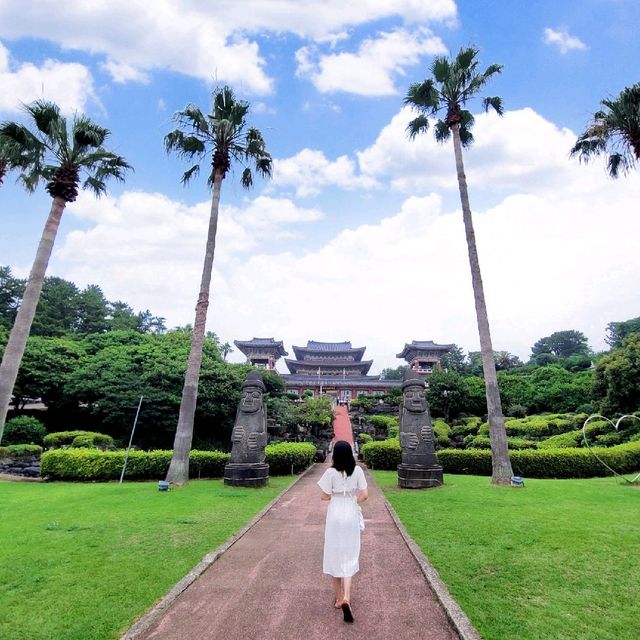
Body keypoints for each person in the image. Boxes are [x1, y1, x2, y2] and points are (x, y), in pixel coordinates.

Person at [317, 440, 368, 623]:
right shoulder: (358, 471)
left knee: (334, 553)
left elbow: (324, 496)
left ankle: (339, 599)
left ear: (335, 455)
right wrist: (352, 500)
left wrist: (336, 495)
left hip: (335, 514)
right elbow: (365, 495)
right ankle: (347, 596)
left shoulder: (330, 472)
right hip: (350, 513)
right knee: (350, 554)